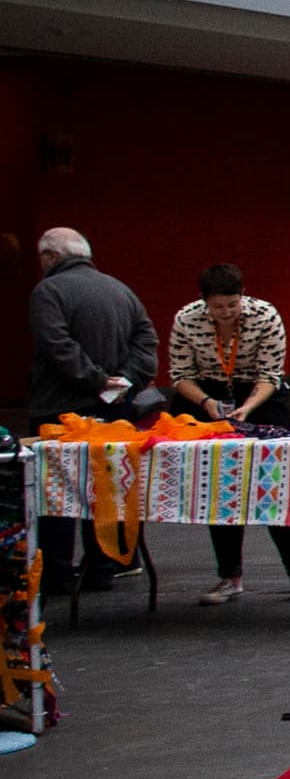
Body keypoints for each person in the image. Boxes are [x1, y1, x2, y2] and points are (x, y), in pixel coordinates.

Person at [164, 262, 290, 605]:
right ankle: (229, 576)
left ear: (242, 296)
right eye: (218, 307)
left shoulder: (265, 316)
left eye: (232, 305)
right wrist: (206, 402)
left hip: (260, 393)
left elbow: (270, 373)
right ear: (204, 302)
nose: (226, 313)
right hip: (206, 392)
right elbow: (180, 375)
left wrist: (247, 408)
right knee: (220, 484)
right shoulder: (185, 320)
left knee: (274, 481)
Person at [26, 227, 157, 593]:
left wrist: (97, 380)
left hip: (58, 411)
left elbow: (56, 345)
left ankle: (56, 574)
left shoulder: (47, 291)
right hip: (113, 412)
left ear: (51, 257)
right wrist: (124, 381)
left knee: (56, 493)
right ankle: (103, 567)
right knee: (104, 490)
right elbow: (147, 340)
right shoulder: (121, 289)